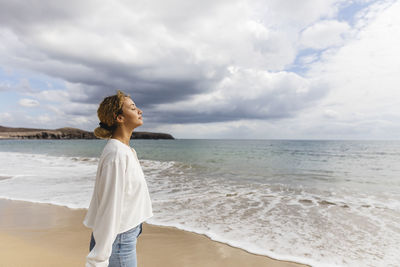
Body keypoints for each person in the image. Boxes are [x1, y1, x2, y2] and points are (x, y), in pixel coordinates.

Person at [83, 90, 153, 267]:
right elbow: (110, 207)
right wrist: (98, 260)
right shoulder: (117, 154)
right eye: (133, 108)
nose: (140, 111)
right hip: (118, 242)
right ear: (119, 117)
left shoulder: (126, 150)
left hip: (124, 237)